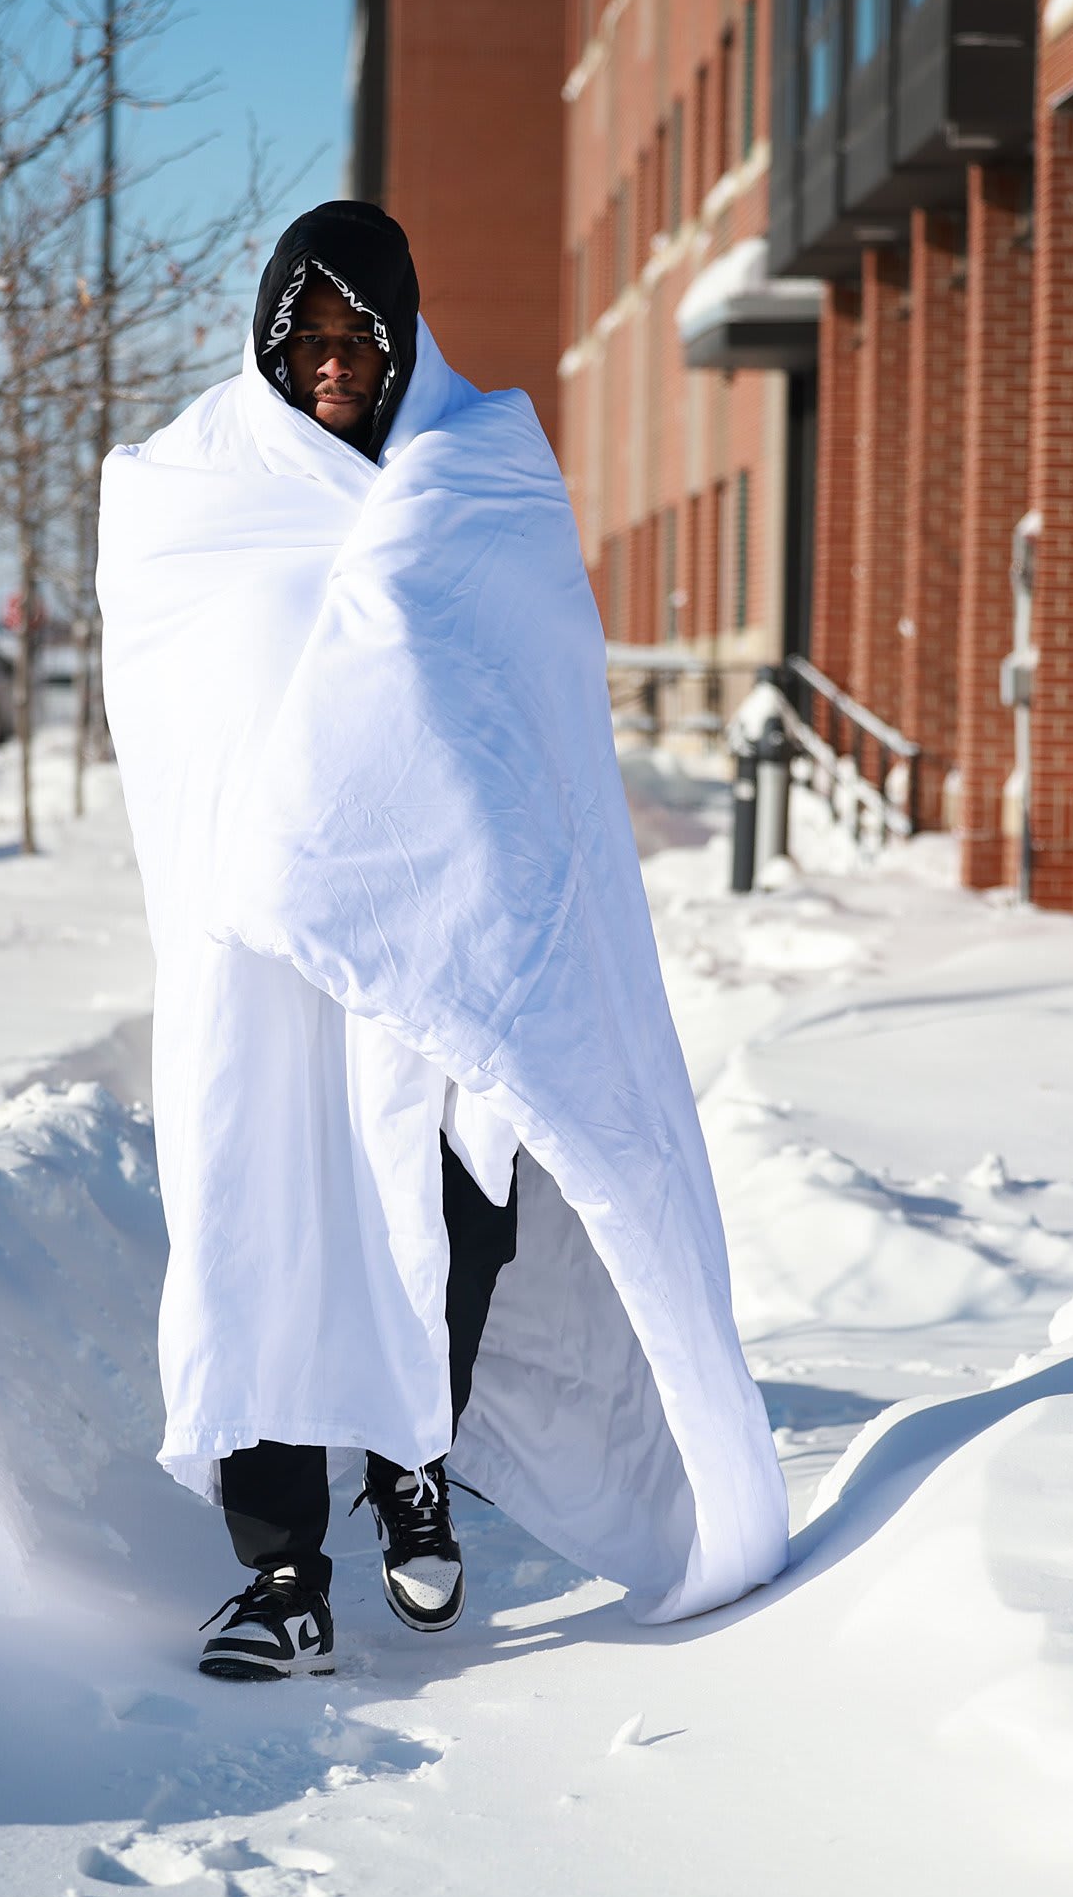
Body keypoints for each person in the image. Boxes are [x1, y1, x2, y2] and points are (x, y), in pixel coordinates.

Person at [98, 203, 788, 1683]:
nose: (337, 364)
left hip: (446, 929)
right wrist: (270, 853)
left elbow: (527, 705)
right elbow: (176, 718)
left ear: (406, 340)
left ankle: (415, 1461)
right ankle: (280, 1572)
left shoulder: (483, 469)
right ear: (270, 339)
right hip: (263, 958)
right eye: (311, 338)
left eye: (363, 339)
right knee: (266, 1222)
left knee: (452, 1208)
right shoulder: (186, 494)